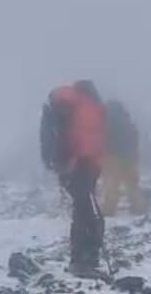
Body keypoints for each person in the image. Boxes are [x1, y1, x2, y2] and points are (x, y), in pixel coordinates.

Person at [40, 79, 106, 276]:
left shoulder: (80, 106)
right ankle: (84, 261)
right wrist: (77, 163)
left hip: (78, 165)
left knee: (83, 211)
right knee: (87, 212)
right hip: (80, 165)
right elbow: (82, 138)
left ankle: (83, 259)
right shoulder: (82, 106)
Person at [101, 99, 145, 216]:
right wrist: (135, 156)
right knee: (132, 185)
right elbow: (135, 140)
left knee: (112, 185)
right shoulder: (129, 123)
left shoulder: (106, 123)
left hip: (112, 157)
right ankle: (138, 208)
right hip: (130, 158)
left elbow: (103, 140)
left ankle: (109, 209)